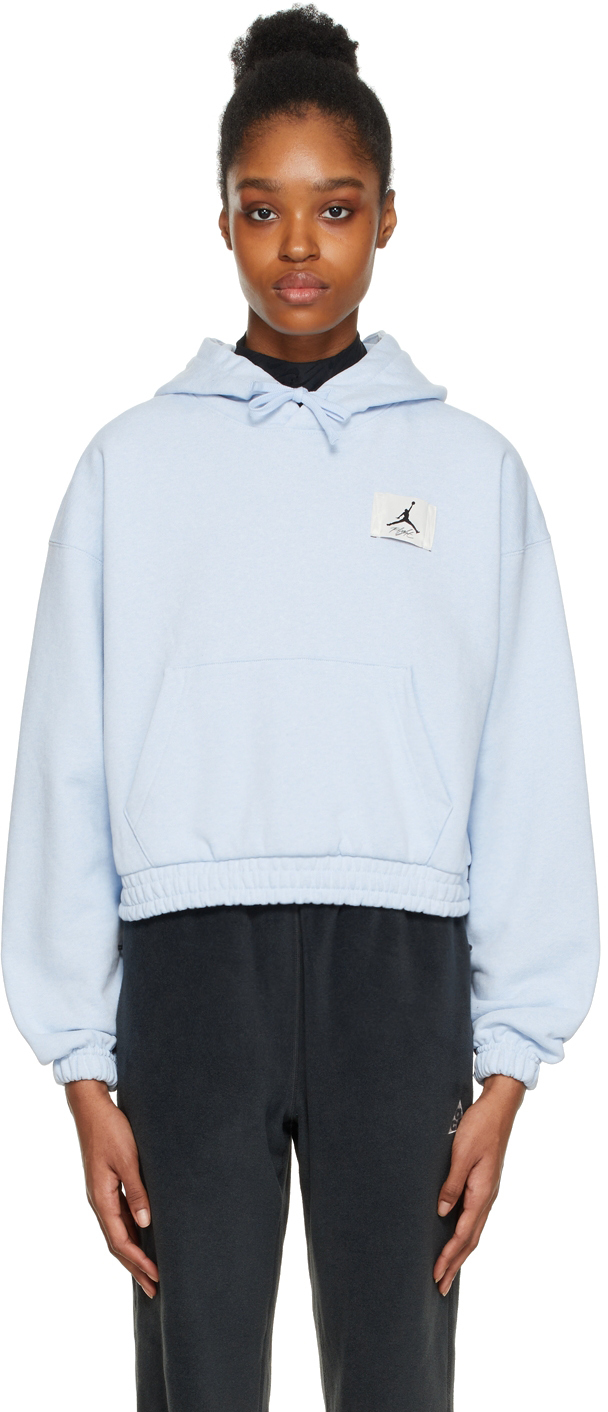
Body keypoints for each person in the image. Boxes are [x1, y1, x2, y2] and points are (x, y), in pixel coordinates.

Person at [1, 7, 599, 1411]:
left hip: (399, 972)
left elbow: (529, 762)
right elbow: (65, 758)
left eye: (334, 208)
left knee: (396, 1380)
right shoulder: (130, 466)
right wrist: (80, 1069)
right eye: (262, 208)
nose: (298, 246)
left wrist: (511, 1067)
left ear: (388, 215)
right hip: (189, 970)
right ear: (221, 220)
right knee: (197, 1379)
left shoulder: (473, 471)